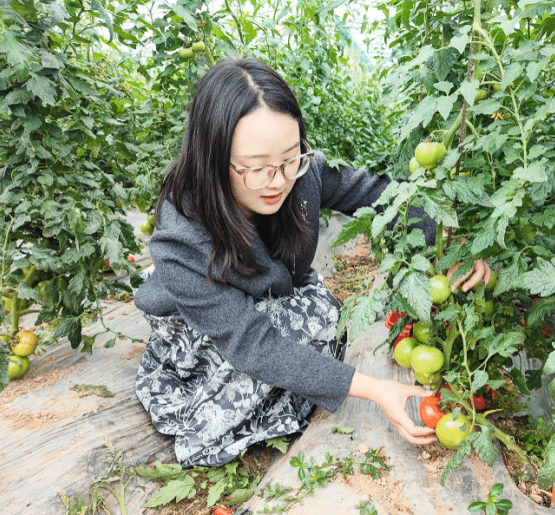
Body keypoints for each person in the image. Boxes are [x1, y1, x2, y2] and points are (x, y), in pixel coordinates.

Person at [133, 57, 490, 467]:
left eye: (290, 158)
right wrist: (373, 389)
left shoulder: (301, 173)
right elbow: (252, 345)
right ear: (212, 159)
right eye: (256, 168)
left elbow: (385, 198)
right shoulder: (181, 238)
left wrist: (456, 243)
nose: (279, 180)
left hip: (266, 289)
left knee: (319, 320)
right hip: (202, 323)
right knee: (294, 336)